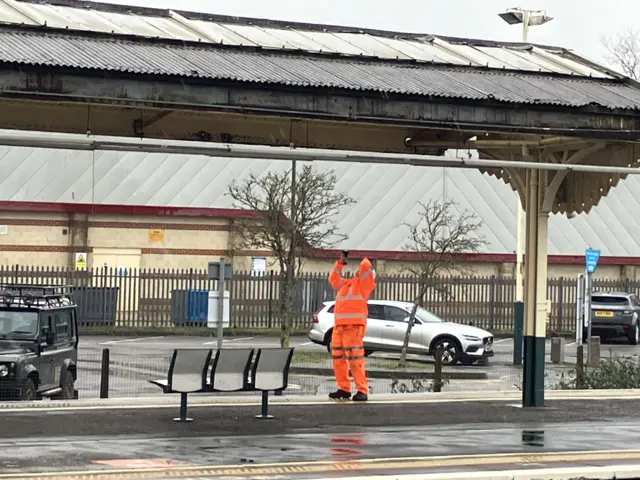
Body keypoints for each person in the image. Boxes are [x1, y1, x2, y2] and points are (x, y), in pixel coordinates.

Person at [327, 251, 376, 402]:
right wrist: (340, 262)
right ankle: (343, 388)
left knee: (355, 360)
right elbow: (333, 279)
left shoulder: (363, 286)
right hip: (339, 328)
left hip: (353, 328)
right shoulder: (346, 284)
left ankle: (362, 390)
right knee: (338, 359)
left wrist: (358, 250)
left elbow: (366, 266)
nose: (358, 271)